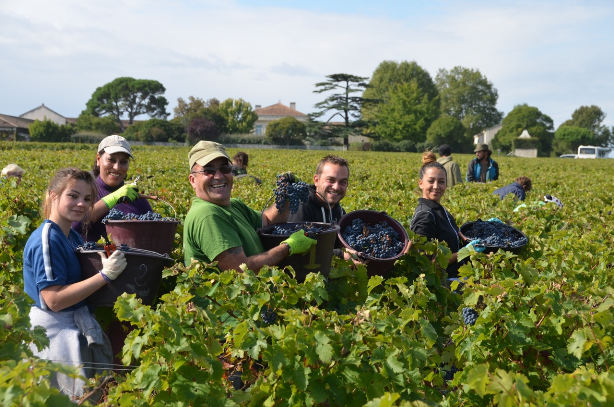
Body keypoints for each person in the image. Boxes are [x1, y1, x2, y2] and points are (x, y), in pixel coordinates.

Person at [23, 168, 127, 398]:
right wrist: (104, 276)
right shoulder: (47, 239)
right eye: (73, 195)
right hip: (53, 337)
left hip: (70, 329)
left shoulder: (72, 236)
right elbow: (54, 300)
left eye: (87, 199)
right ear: (53, 195)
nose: (81, 204)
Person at [183, 141, 317, 271]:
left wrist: (286, 195)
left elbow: (268, 220)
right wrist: (288, 247)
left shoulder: (234, 206)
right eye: (208, 171)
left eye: (225, 168)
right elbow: (241, 270)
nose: (218, 176)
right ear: (192, 180)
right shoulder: (207, 214)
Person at [410, 154, 484, 279]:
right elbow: (427, 263)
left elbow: (445, 236)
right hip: (445, 283)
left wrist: (464, 237)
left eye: (441, 182)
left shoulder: (439, 209)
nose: (436, 186)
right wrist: (465, 251)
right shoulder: (425, 216)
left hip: (458, 277)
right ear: (421, 183)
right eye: (431, 181)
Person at [72, 135, 152, 242]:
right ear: (98, 159)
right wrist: (113, 198)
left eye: (123, 162)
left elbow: (153, 236)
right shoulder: (85, 193)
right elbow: (74, 227)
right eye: (111, 160)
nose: (117, 167)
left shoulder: (137, 199)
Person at [287, 155, 364, 262]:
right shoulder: (302, 208)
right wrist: (340, 255)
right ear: (316, 180)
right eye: (330, 180)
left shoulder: (340, 212)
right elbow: (295, 253)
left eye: (342, 182)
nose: (336, 187)